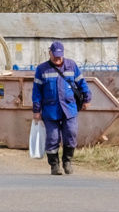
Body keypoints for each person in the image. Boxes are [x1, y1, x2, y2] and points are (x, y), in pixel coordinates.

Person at [30, 41, 89, 176]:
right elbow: (36, 91)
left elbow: (82, 83)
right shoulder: (42, 69)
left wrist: (87, 99)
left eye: (60, 56)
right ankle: (54, 166)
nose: (58, 58)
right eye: (55, 55)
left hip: (69, 108)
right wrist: (36, 110)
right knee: (53, 138)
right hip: (50, 110)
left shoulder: (72, 65)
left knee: (71, 133)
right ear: (49, 53)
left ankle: (67, 161)